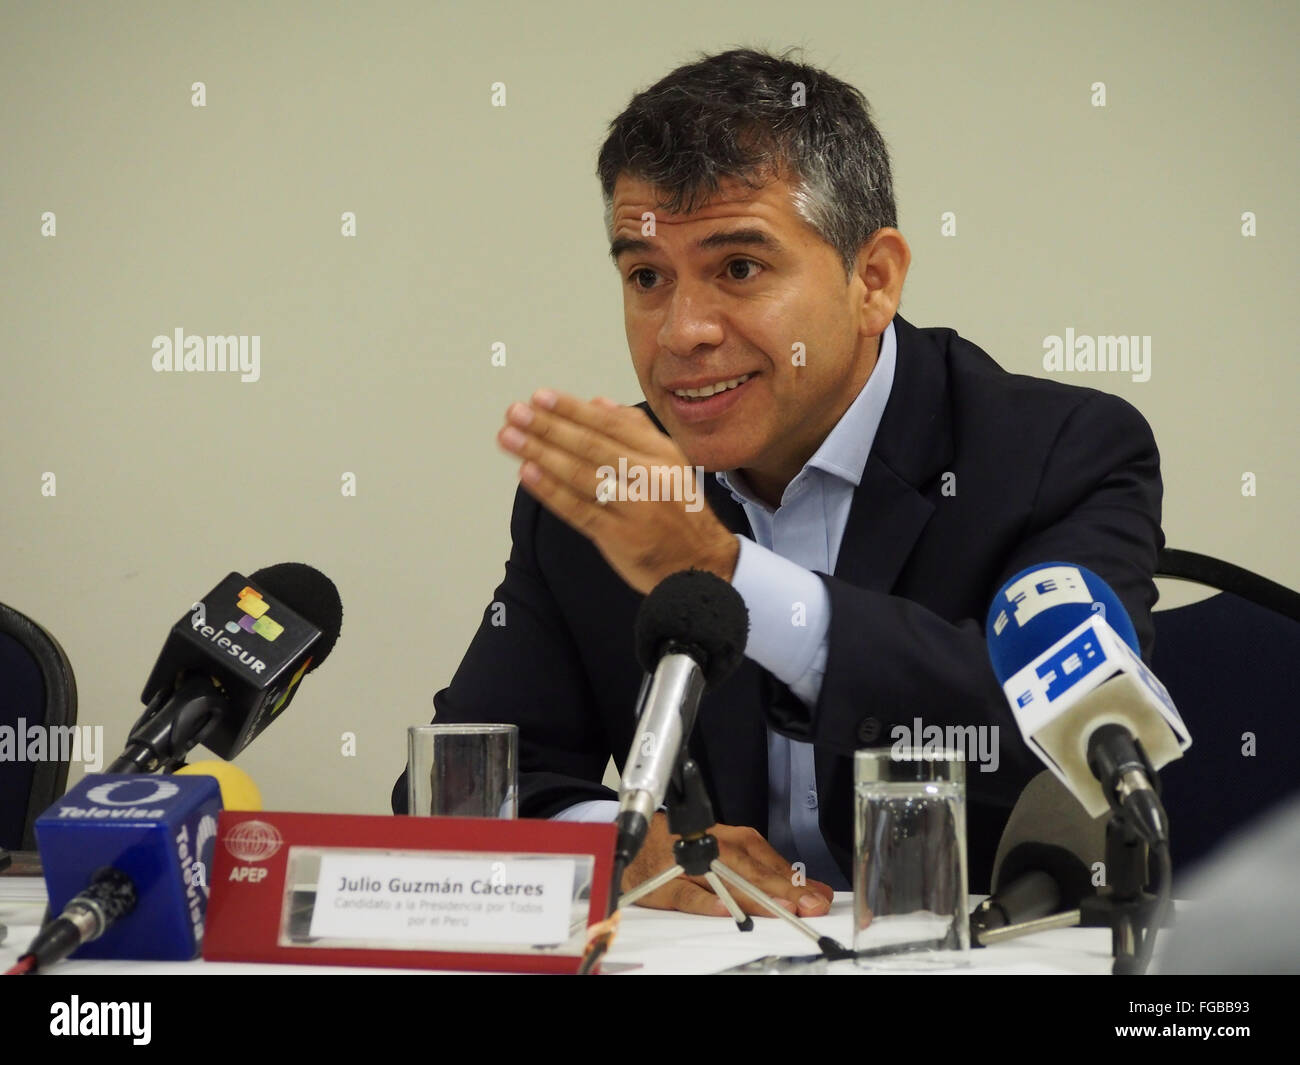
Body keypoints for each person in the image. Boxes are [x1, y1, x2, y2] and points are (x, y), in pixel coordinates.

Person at [391, 47, 1164, 921]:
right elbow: (457, 783)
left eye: (739, 269)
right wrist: (619, 839)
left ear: (872, 280)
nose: (682, 332)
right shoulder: (608, 492)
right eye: (647, 277)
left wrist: (727, 574)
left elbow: (1071, 742)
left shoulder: (1063, 452)